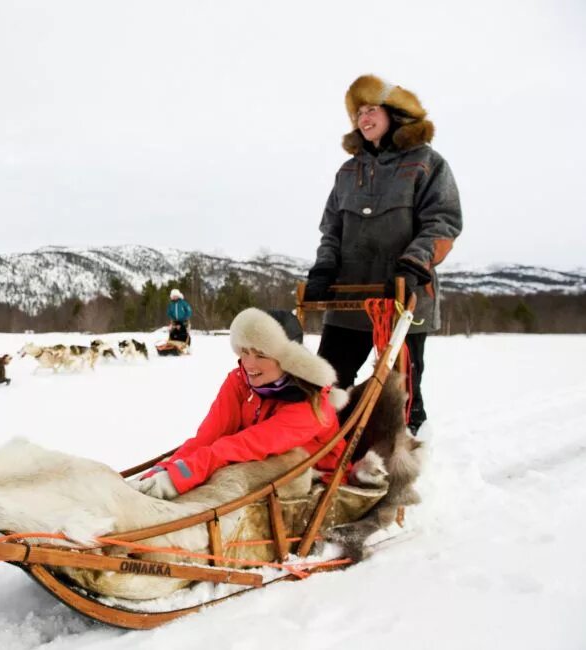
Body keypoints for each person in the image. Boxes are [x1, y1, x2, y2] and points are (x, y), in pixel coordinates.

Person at [304, 74, 463, 436]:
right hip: (349, 299)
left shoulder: (426, 163)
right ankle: (323, 450)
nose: (363, 118)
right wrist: (325, 267)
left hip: (404, 297)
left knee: (401, 390)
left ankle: (401, 454)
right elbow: (332, 229)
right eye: (358, 112)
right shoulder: (347, 172)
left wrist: (413, 264)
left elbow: (443, 222)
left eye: (371, 109)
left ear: (395, 114)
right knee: (326, 383)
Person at [132, 308, 349, 499]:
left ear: (289, 361)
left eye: (261, 355)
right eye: (245, 351)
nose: (248, 364)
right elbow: (209, 436)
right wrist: (164, 470)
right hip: (258, 461)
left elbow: (245, 445)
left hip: (318, 477)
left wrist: (180, 477)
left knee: (225, 475)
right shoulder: (239, 381)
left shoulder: (311, 408)